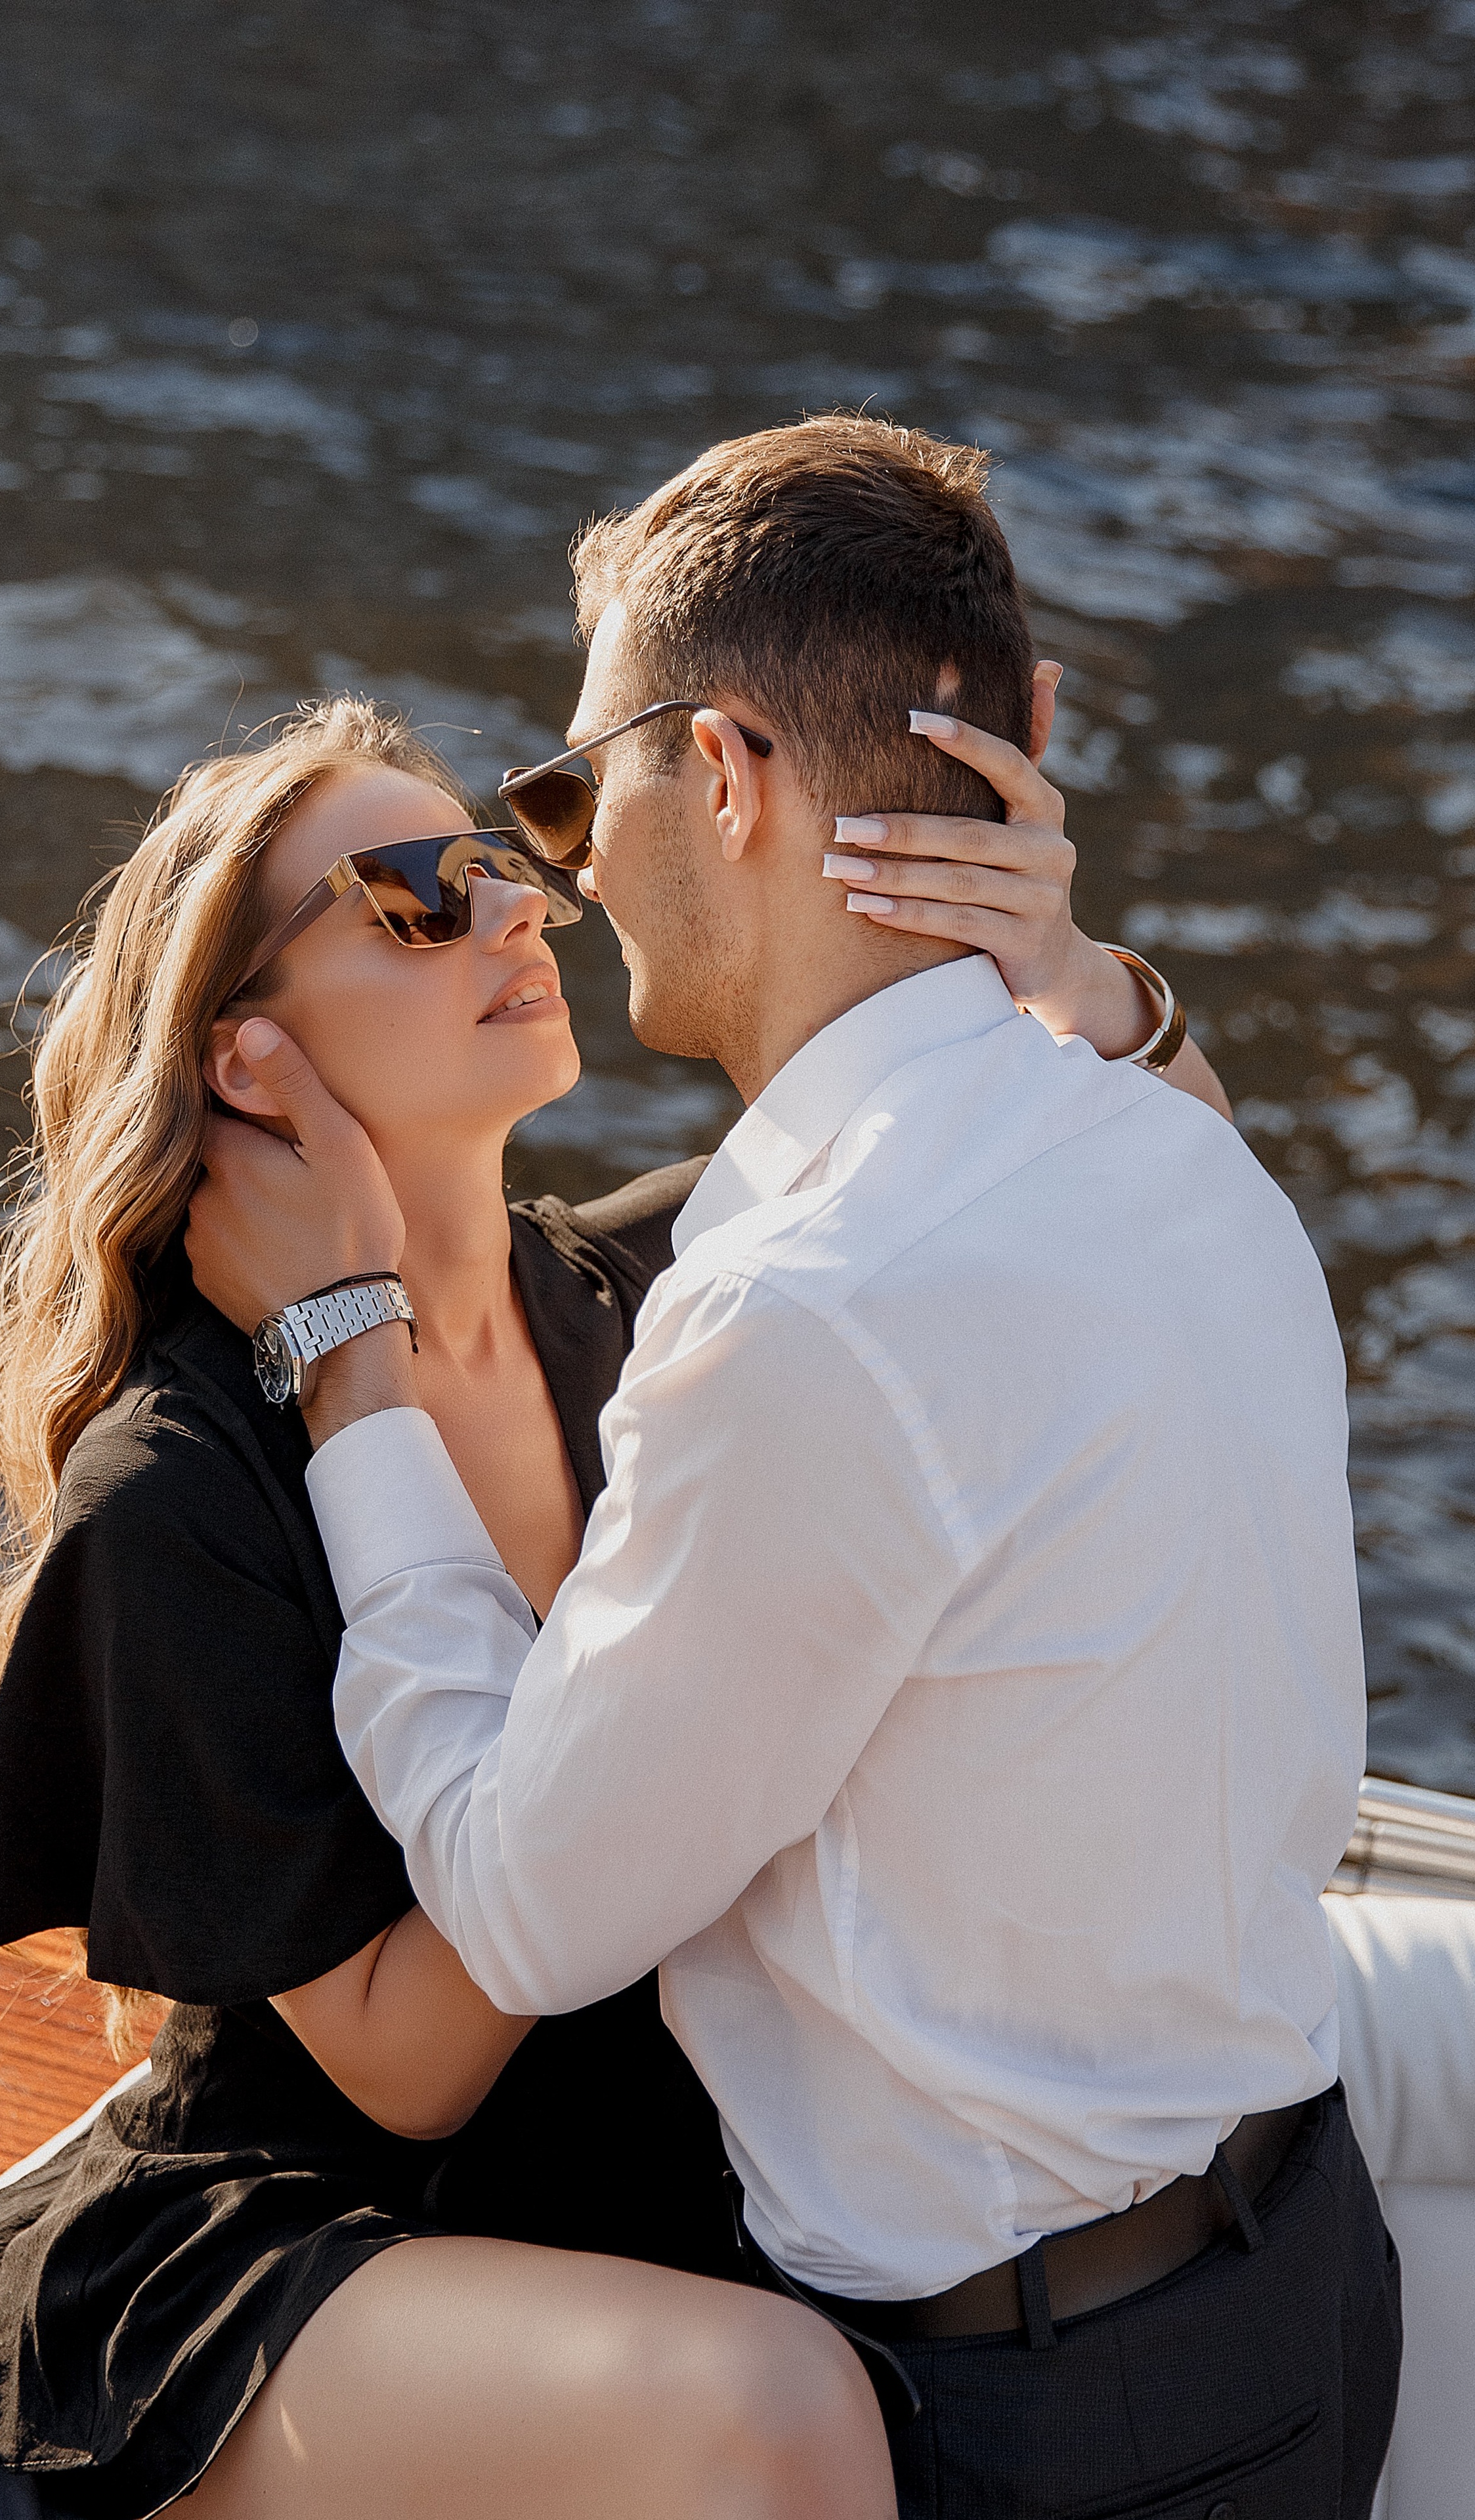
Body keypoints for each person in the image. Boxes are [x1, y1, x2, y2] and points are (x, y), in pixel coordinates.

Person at [188, 415, 1401, 2519]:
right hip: (1315, 2283)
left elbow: (520, 1901)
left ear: (726, 776)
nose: (556, 869)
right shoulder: (1168, 1145)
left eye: (573, 791)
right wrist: (1086, 978)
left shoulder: (814, 1307)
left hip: (1050, 2426)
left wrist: (348, 1365)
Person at [0, 640, 1200, 2519]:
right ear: (244, 1054)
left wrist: (1081, 986)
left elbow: (1167, 1210)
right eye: (416, 901)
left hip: (658, 2159)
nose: (514, 907)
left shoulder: (692, 1284)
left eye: (505, 862)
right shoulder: (178, 1491)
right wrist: (390, 1395)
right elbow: (413, 2074)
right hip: (321, 2243)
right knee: (780, 2407)